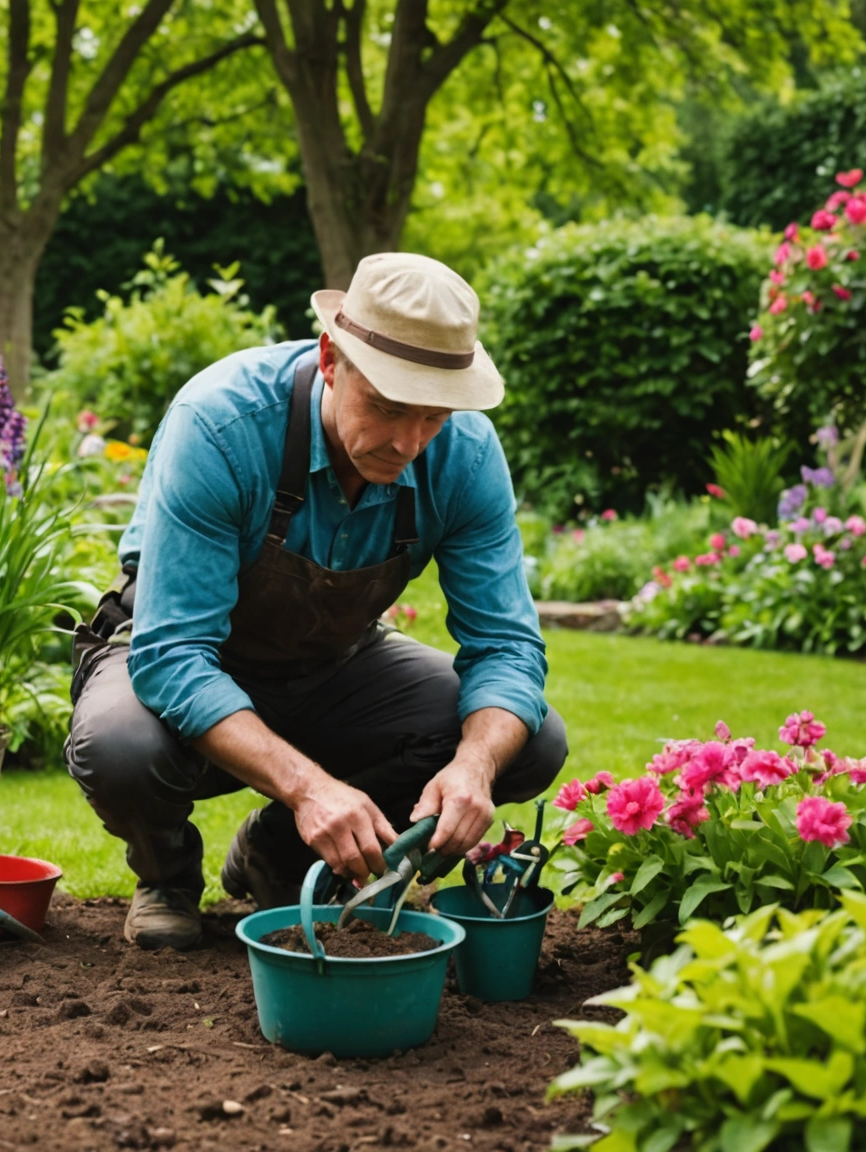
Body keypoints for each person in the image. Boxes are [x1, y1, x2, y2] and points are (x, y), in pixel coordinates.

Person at [66, 252, 567, 951]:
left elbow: (507, 648)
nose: (408, 443)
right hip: (173, 657)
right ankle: (167, 875)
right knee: (119, 746)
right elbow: (173, 655)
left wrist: (473, 767)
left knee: (530, 742)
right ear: (331, 359)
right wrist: (308, 788)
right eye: (389, 408)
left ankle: (277, 854)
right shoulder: (222, 424)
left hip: (335, 665)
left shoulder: (466, 455)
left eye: (433, 417)